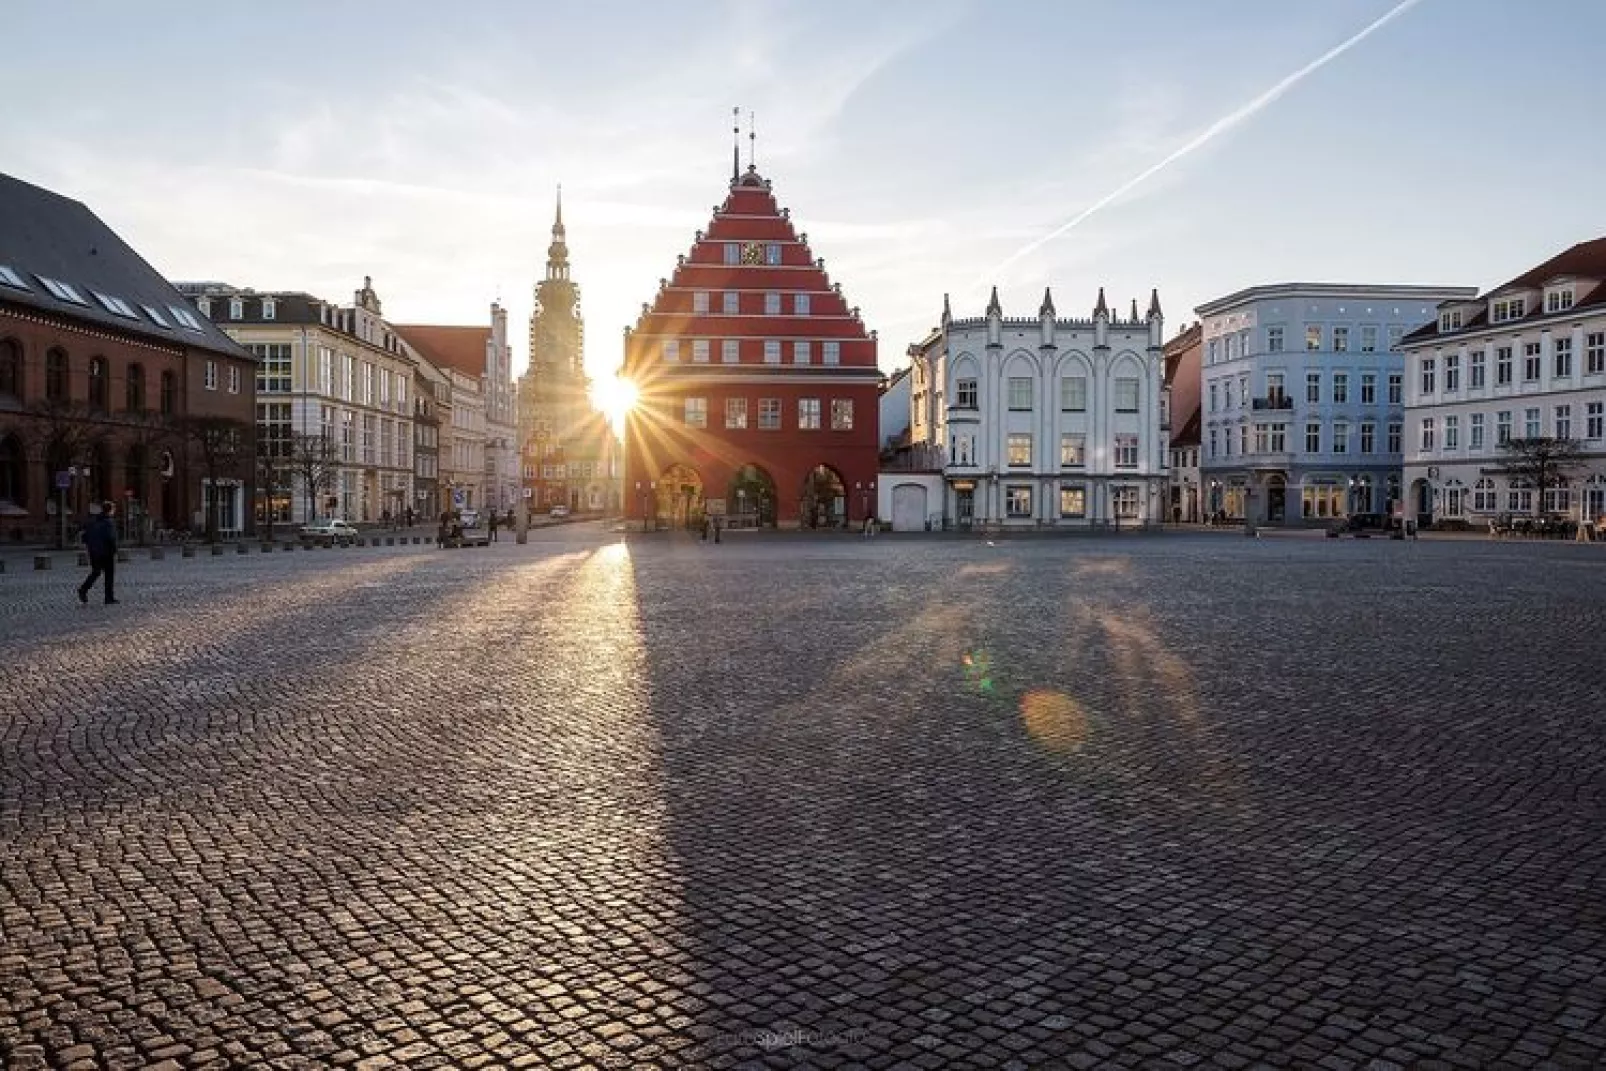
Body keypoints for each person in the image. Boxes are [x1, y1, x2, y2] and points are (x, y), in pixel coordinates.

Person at [78, 501, 119, 605]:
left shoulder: (93, 521)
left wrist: (91, 546)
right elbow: (111, 538)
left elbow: (84, 536)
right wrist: (114, 550)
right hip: (106, 552)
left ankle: (83, 589)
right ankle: (108, 597)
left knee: (96, 572)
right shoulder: (109, 522)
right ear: (110, 510)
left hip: (94, 552)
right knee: (109, 575)